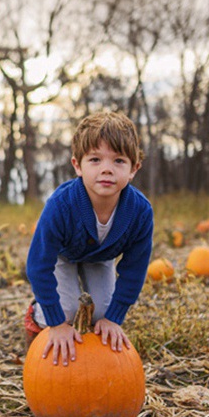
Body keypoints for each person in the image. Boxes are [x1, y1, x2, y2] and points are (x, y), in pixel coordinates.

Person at [24, 109, 153, 366]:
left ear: (133, 169)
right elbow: (38, 265)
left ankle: (92, 362)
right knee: (68, 311)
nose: (106, 169)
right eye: (95, 160)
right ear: (77, 165)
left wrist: (114, 318)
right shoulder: (61, 205)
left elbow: (134, 269)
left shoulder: (140, 211)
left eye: (118, 161)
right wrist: (56, 322)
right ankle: (34, 315)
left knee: (102, 314)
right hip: (64, 254)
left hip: (101, 257)